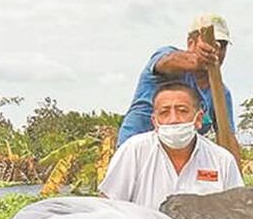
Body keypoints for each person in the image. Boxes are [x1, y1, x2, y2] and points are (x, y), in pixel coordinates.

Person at [99, 82, 243, 210]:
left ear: (198, 119)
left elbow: (236, 211)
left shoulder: (222, 160)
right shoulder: (134, 151)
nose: (173, 119)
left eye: (182, 111)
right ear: (155, 122)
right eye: (164, 112)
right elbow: (109, 208)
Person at [116, 13, 235, 147]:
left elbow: (228, 138)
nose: (216, 51)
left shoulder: (221, 94)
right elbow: (167, 62)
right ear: (191, 43)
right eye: (210, 43)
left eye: (222, 45)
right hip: (136, 153)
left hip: (178, 158)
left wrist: (232, 167)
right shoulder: (168, 59)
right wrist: (196, 60)